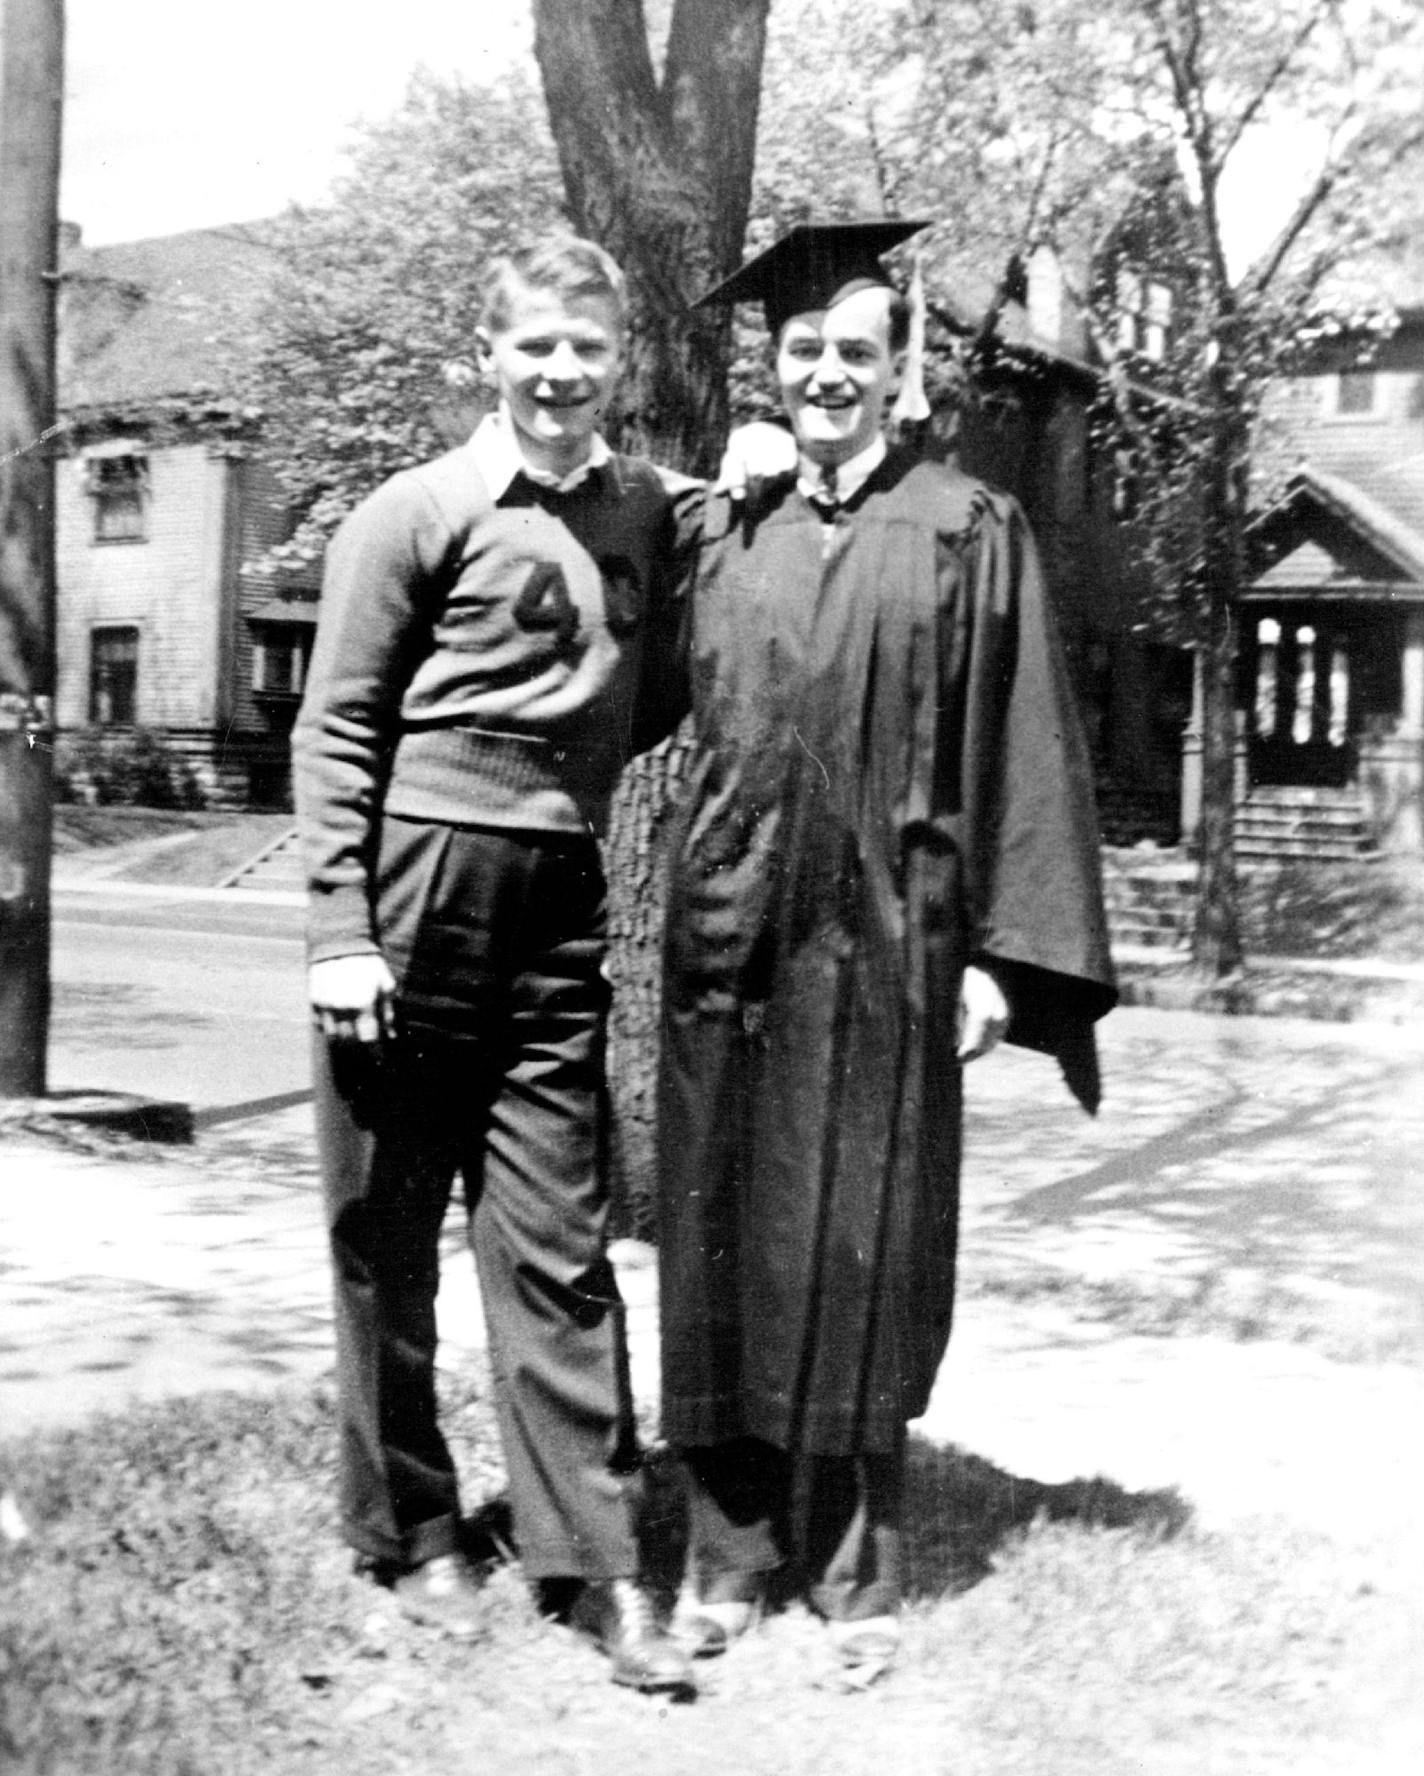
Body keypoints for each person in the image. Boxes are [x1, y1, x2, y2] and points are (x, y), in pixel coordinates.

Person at [655, 222, 1119, 1670]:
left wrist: (997, 956)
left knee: (862, 1247)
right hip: (730, 947)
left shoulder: (971, 527)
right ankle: (727, 1560)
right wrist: (703, 496)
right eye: (804, 352)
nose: (829, 374)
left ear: (900, 369)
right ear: (772, 370)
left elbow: (1025, 749)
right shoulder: (722, 527)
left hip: (887, 952)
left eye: (857, 350)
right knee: (722, 1241)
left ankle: (855, 1577)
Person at [292, 235, 703, 1694]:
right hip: (412, 887)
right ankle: (408, 1525)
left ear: (620, 365)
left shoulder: (650, 511)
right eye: (533, 347)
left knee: (555, 1231)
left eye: (586, 351)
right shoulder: (418, 510)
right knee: (387, 1225)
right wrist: (342, 926)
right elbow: (337, 723)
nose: (559, 374)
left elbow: (657, 686)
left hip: (559, 891)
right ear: (489, 354)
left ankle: (592, 1560)